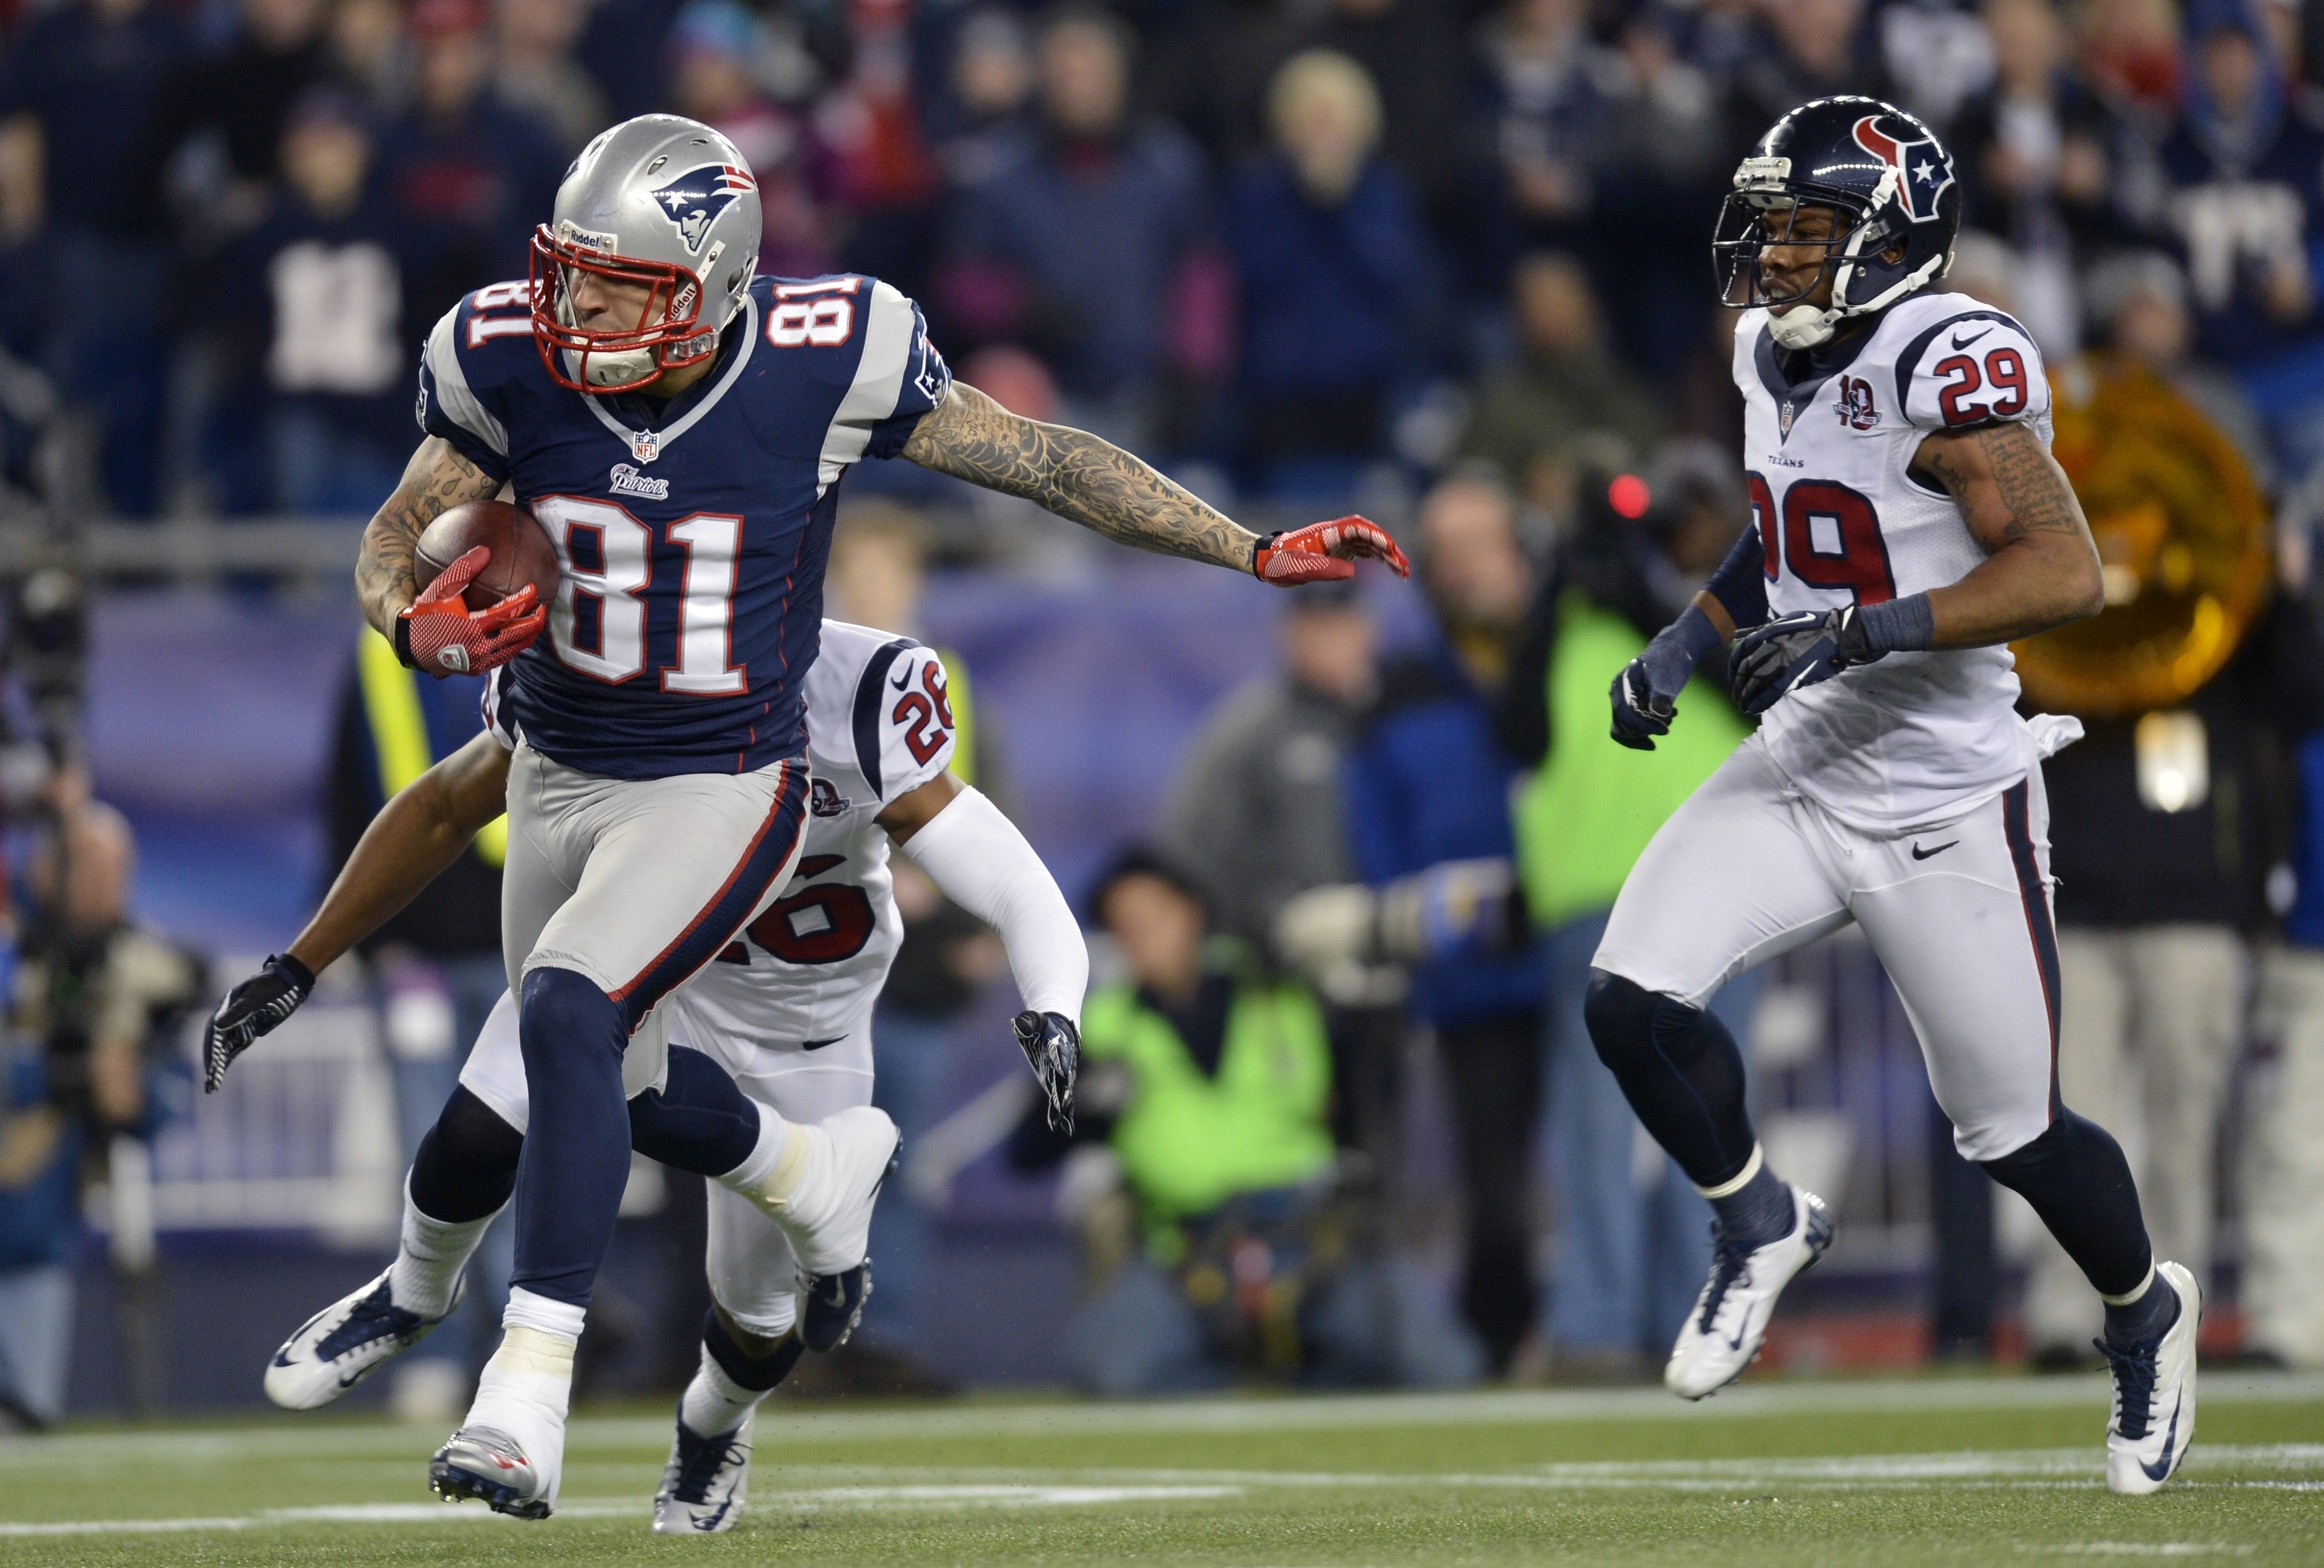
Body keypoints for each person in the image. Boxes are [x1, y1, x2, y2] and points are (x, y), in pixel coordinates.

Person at [238, 110, 1403, 1521]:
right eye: (571, 269)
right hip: (558, 763)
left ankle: (533, 1389)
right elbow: (395, 547)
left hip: (721, 784)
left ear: (718, 281)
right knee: (511, 1099)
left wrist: (1244, 544)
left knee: (571, 1035)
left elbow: (1038, 458)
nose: (580, 305)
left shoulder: (833, 400)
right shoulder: (496, 352)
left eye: (624, 282)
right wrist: (408, 624)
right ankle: (482, 1274)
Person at [1591, 96, 2195, 1494]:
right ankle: (1755, 1216)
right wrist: (1684, 643)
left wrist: (1863, 631)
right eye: (1773, 223)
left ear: (1892, 237)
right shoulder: (1763, 350)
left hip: (1943, 788)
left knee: (2017, 1132)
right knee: (1626, 1001)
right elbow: (1796, 515)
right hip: (1810, 759)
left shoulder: (1953, 355)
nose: (1775, 254)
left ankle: (2142, 1312)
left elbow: (2063, 571)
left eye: (1807, 228)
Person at [215, 618, 1086, 1531]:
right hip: (638, 962)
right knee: (481, 1122)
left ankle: (714, 1423)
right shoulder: (620, 657)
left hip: (799, 1024)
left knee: (756, 1316)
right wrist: (301, 962)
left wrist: (1056, 999)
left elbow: (1006, 872)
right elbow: (444, 803)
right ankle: (414, 1288)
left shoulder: (858, 687)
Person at [1496, 446, 1754, 1375]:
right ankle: (1598, 1326)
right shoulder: (1562, 613)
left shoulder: (1713, 608)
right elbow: (1513, 732)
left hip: (1721, 889)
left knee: (1712, 1110)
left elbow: (1759, 697)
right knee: (1600, 1127)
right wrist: (1559, 590)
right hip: (1598, 898)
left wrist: (1654, 606)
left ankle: (1705, 1315)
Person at [1342, 471, 1546, 1379]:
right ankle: (1501, 1343)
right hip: (1471, 973)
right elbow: (1375, 824)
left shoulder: (1565, 648)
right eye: (1449, 546)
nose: (1467, 564)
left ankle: (1624, 1324)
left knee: (1614, 1165)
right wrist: (1419, 922)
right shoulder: (1401, 681)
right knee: (1495, 1188)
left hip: (1583, 948)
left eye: (1483, 541)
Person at [1225, 50, 1433, 498]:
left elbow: (1393, 277)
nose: (1323, 134)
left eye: (1333, 120)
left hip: (1365, 387)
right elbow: (1255, 278)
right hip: (1281, 389)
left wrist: (1341, 206)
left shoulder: (1383, 192)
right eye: (1311, 120)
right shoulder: (1259, 191)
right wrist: (1303, 200)